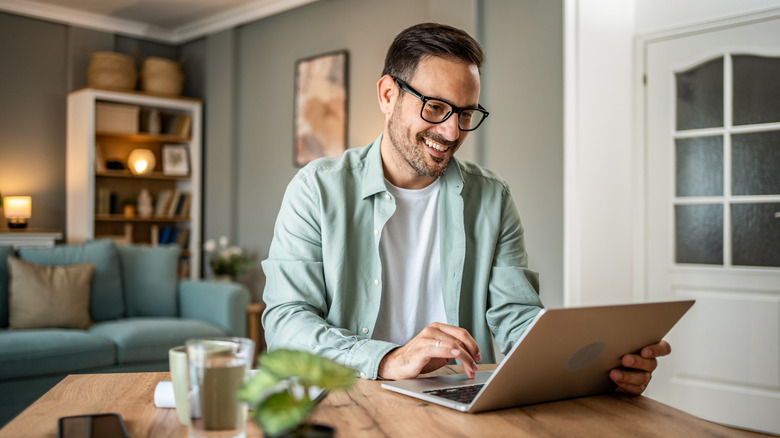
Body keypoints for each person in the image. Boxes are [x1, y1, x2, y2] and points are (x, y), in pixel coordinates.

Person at [262, 22, 670, 394]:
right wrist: (388, 358)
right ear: (388, 95)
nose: (452, 131)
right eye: (436, 108)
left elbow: (516, 316)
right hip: (349, 395)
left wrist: (593, 368)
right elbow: (286, 322)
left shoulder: (493, 197)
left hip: (457, 402)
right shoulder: (317, 188)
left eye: (466, 113)